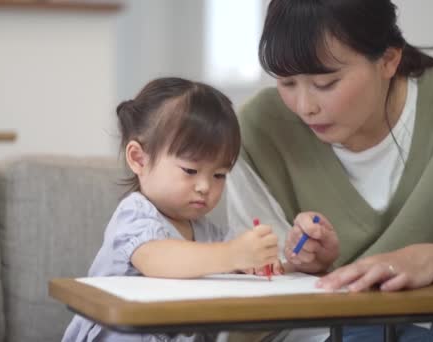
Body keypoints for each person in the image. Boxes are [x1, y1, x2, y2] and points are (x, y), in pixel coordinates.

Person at [225, 0, 433, 341]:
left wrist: (424, 261)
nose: (305, 107)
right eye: (287, 83)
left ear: (388, 60)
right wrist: (305, 263)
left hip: (432, 320)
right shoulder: (256, 130)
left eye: (326, 84)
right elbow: (256, 275)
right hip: (310, 327)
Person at [62, 77, 282, 342]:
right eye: (190, 170)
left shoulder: (205, 232)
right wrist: (233, 254)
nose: (204, 186)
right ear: (138, 159)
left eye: (219, 175)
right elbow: (158, 259)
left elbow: (234, 261)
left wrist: (260, 261)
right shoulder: (135, 214)